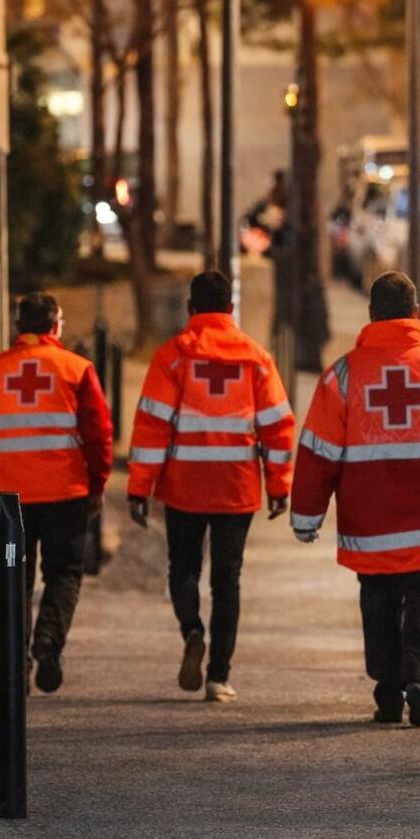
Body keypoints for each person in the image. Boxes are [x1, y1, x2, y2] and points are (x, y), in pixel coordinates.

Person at [290, 272, 420, 726]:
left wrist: (306, 516)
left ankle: (387, 689)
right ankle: (419, 679)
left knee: (378, 599)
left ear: (372, 315)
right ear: (416, 312)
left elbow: (318, 453)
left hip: (370, 524)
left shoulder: (343, 375)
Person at [127, 271, 296, 702]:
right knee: (228, 580)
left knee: (183, 569)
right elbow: (277, 426)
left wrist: (139, 488)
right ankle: (219, 676)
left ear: (191, 309)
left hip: (184, 484)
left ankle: (192, 630)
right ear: (231, 310)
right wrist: (279, 484)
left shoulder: (173, 357)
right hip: (235, 485)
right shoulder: (256, 358)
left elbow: (151, 426)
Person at [0, 293, 113, 694]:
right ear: (56, 327)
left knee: (14, 580)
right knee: (63, 573)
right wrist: (97, 485)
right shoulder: (76, 369)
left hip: (7, 499)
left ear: (17, 328)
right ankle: (48, 643)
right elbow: (99, 435)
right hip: (65, 494)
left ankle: (15, 664)